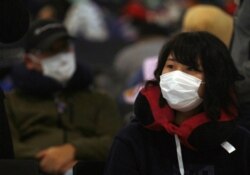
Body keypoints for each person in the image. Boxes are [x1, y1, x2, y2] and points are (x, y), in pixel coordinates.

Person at [104, 32, 250, 175]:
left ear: (215, 79)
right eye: (171, 66)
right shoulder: (134, 139)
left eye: (191, 68)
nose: (176, 76)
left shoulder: (239, 142)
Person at [5, 19, 122, 175]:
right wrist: (48, 158)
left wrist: (72, 150)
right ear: (29, 61)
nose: (61, 57)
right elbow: (8, 146)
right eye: (51, 51)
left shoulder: (100, 100)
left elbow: (115, 142)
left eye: (65, 48)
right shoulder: (10, 102)